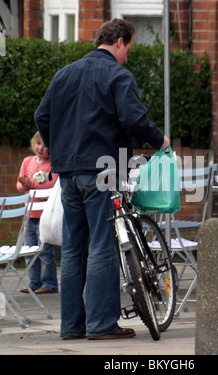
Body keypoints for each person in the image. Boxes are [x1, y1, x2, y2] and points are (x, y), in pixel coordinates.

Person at [34, 18, 170, 340]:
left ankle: (71, 326)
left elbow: (42, 115)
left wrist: (60, 150)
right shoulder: (118, 75)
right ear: (120, 42)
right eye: (129, 49)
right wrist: (160, 139)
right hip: (104, 171)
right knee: (102, 245)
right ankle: (101, 324)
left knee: (73, 249)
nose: (128, 57)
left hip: (68, 173)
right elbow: (134, 118)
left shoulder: (64, 74)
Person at [16, 131, 59, 294]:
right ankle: (34, 282)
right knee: (30, 249)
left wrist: (31, 183)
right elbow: (20, 185)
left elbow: (52, 183)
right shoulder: (27, 161)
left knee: (44, 250)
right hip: (29, 214)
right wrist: (24, 183)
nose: (41, 148)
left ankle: (49, 283)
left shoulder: (52, 164)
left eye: (46, 145)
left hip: (45, 215)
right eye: (38, 143)